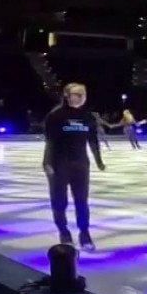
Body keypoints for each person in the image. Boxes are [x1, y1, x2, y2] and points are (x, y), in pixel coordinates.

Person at [42, 82, 105, 251]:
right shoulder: (55, 116)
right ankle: (64, 232)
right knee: (59, 201)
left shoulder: (88, 117)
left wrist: (99, 160)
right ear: (66, 96)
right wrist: (46, 162)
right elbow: (50, 142)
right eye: (75, 94)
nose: (79, 98)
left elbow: (93, 140)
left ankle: (84, 233)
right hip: (58, 164)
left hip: (81, 165)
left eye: (82, 94)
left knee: (82, 201)